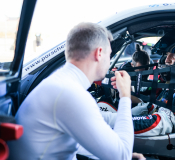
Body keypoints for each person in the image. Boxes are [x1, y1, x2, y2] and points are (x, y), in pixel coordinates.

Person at [8, 22, 141, 160]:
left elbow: (90, 129)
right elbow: (122, 156)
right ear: (99, 53)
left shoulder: (62, 84)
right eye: (110, 54)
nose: (109, 61)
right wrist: (125, 95)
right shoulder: (69, 93)